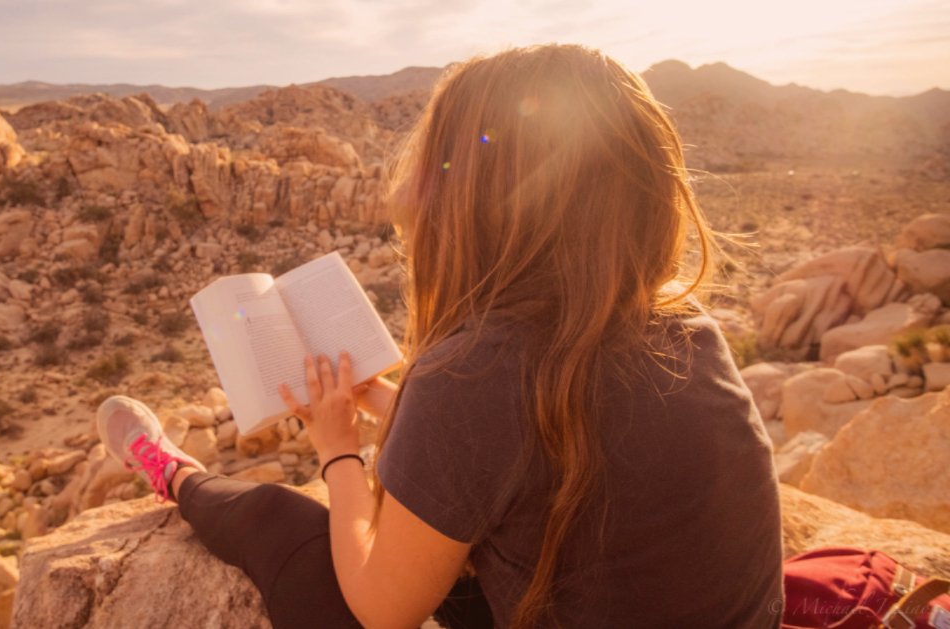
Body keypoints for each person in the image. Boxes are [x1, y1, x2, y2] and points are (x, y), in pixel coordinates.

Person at [96, 43, 783, 628]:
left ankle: (170, 470)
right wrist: (395, 405)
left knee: (284, 524)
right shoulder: (689, 333)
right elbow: (543, 452)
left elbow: (380, 607)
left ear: (474, 206)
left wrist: (338, 451)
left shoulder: (475, 373)